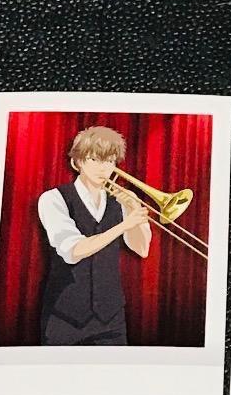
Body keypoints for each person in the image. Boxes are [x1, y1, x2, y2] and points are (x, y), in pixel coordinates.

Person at [37, 125, 152, 345]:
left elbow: (142, 250)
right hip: (65, 318)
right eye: (94, 160)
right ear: (77, 162)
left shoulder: (123, 198)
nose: (104, 168)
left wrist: (133, 211)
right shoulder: (53, 199)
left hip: (112, 319)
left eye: (110, 161)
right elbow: (73, 251)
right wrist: (123, 225)